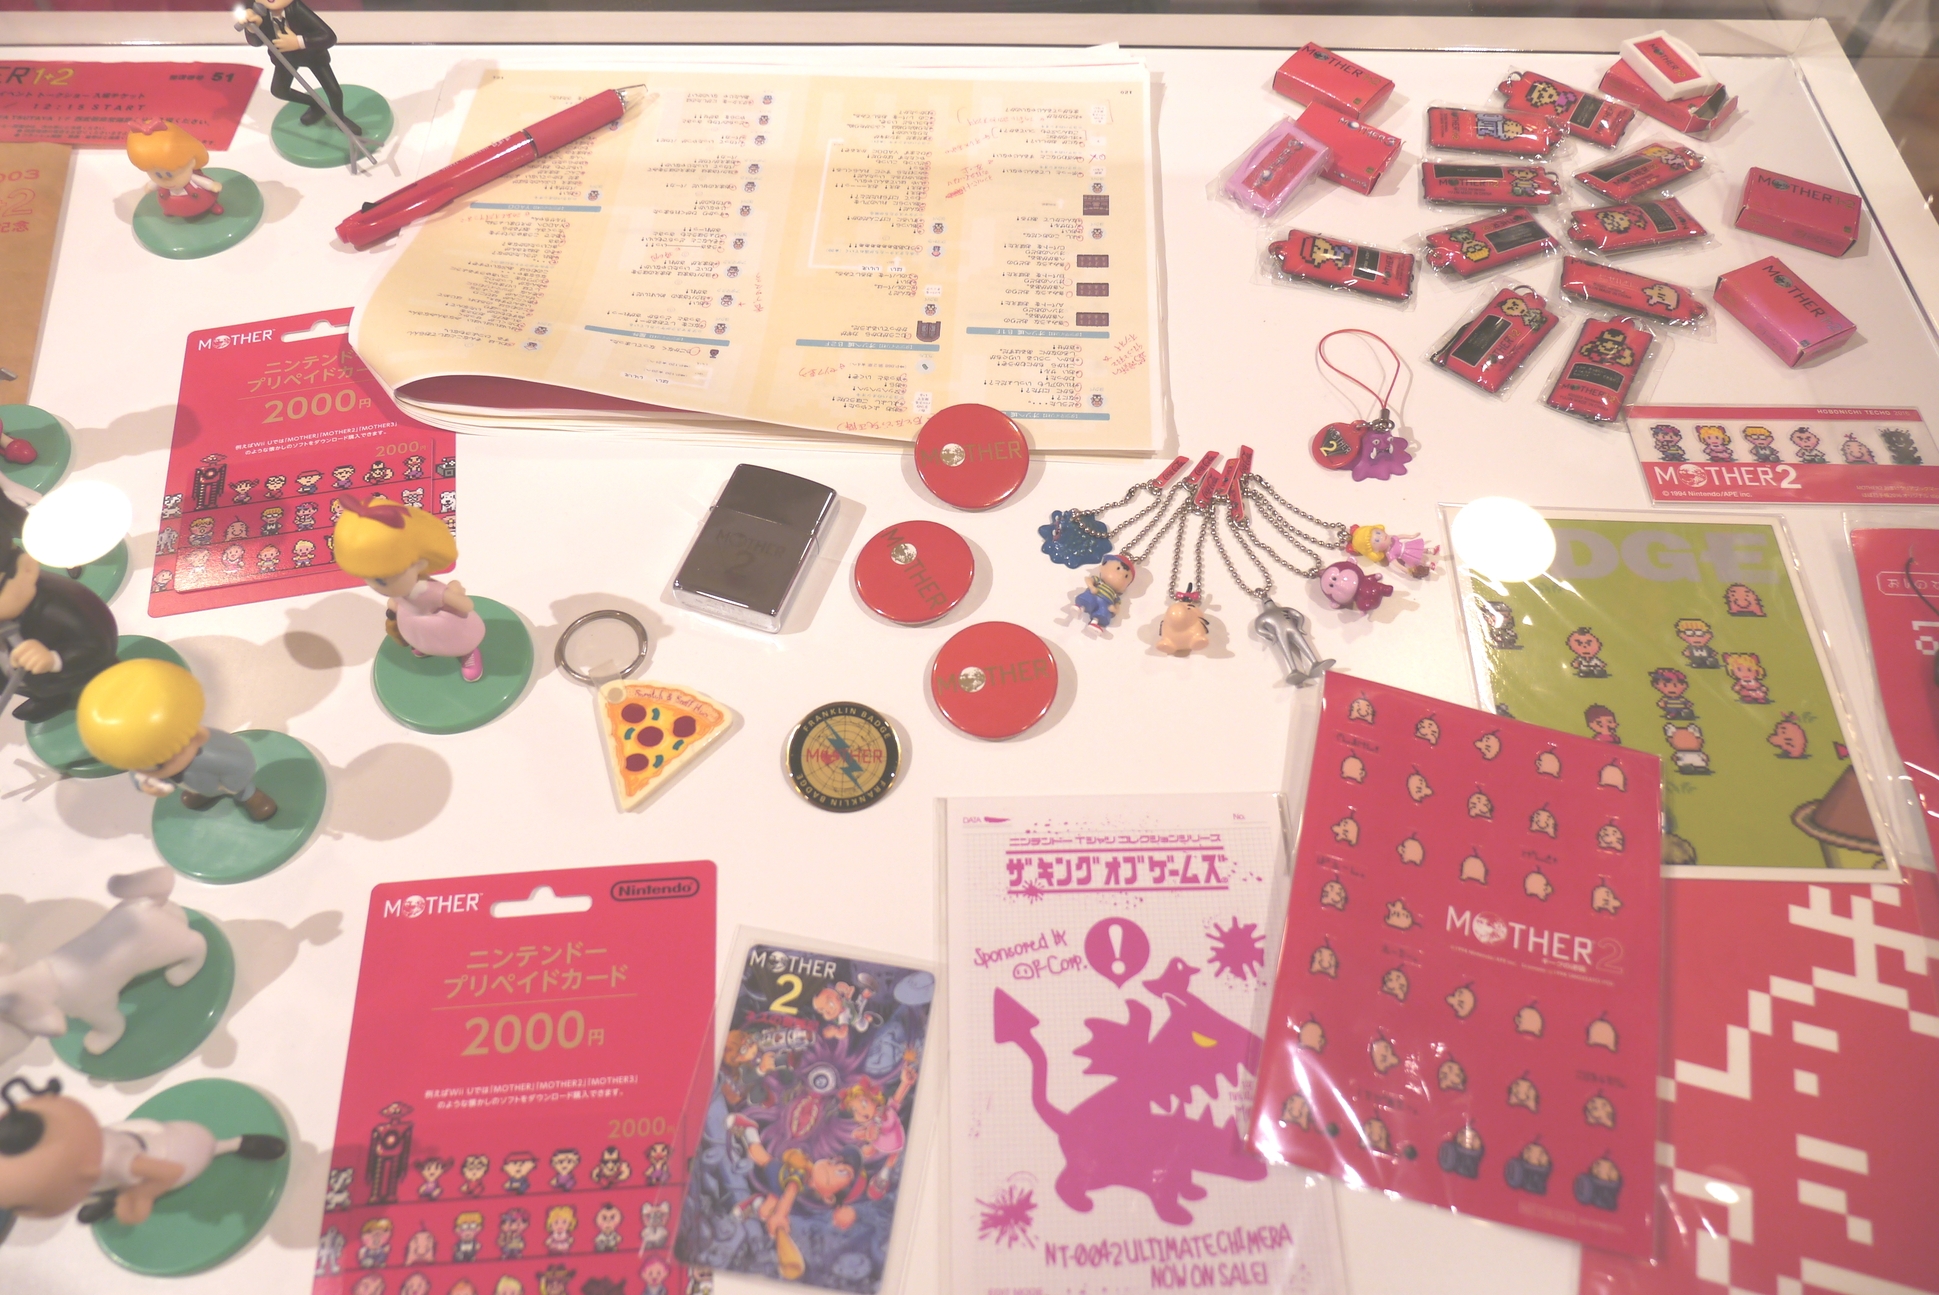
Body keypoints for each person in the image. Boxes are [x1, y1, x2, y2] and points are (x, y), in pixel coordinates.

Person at [75, 659, 278, 821]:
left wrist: (234, 786)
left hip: (222, 782)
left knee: (240, 789)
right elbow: (139, 772)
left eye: (158, 764)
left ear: (197, 737)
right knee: (197, 787)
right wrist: (144, 784)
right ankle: (205, 793)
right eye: (139, 763)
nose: (149, 771)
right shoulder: (145, 757)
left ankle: (251, 796)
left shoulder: (215, 756)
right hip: (199, 784)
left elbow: (240, 764)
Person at [334, 495, 487, 682]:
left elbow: (466, 605)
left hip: (442, 622)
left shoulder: (429, 590)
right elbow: (396, 599)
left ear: (419, 563)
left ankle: (468, 652)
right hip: (412, 621)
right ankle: (426, 647)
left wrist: (456, 592)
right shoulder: (398, 591)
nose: (374, 587)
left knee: (460, 640)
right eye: (367, 578)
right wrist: (394, 606)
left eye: (382, 580)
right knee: (420, 640)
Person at [0, 493, 119, 722]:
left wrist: (53, 658)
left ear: (26, 569)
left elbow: (98, 645)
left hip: (78, 669)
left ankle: (113, 688)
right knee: (31, 683)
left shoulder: (55, 606)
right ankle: (50, 698)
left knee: (106, 678)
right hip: (29, 679)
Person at [240, 0, 362, 135]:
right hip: (285, 58)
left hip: (312, 56)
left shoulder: (297, 9)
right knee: (279, 91)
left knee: (334, 91)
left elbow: (329, 37)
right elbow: (256, 43)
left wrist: (298, 42)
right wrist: (253, 29)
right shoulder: (262, 14)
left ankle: (340, 119)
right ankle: (317, 105)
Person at [124, 120, 224, 218]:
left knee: (207, 199)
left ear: (191, 162)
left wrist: (211, 185)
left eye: (169, 174)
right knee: (170, 206)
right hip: (170, 202)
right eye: (157, 175)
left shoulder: (192, 177)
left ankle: (211, 206)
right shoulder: (162, 185)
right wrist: (150, 187)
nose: (165, 179)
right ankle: (171, 210)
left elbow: (202, 182)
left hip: (199, 200)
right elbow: (152, 185)